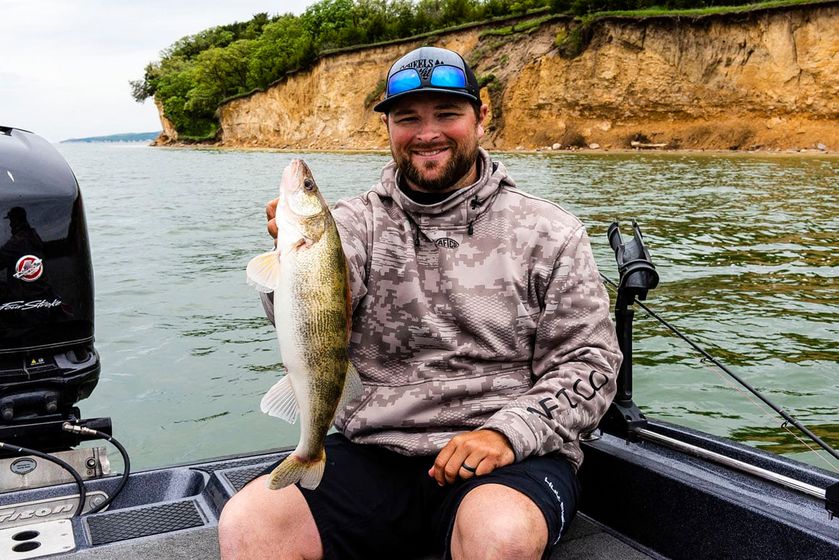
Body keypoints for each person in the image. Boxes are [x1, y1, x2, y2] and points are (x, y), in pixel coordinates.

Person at [218, 46, 621, 560]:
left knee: (500, 534)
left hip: (507, 456)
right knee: (252, 524)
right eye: (408, 118)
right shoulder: (348, 226)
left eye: (447, 114)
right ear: (388, 128)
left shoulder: (551, 232)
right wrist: (292, 263)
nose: (427, 133)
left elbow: (592, 364)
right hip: (376, 448)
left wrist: (507, 433)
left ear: (482, 114)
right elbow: (305, 325)